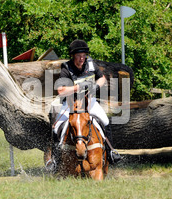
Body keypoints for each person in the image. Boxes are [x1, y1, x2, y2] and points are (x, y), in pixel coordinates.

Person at [48, 39, 121, 170]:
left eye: (83, 55)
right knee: (56, 127)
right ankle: (55, 160)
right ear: (73, 56)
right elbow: (60, 91)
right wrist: (77, 88)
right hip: (71, 104)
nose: (82, 58)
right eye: (78, 56)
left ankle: (111, 152)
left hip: (89, 103)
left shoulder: (91, 64)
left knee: (105, 121)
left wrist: (96, 87)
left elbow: (102, 78)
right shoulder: (66, 68)